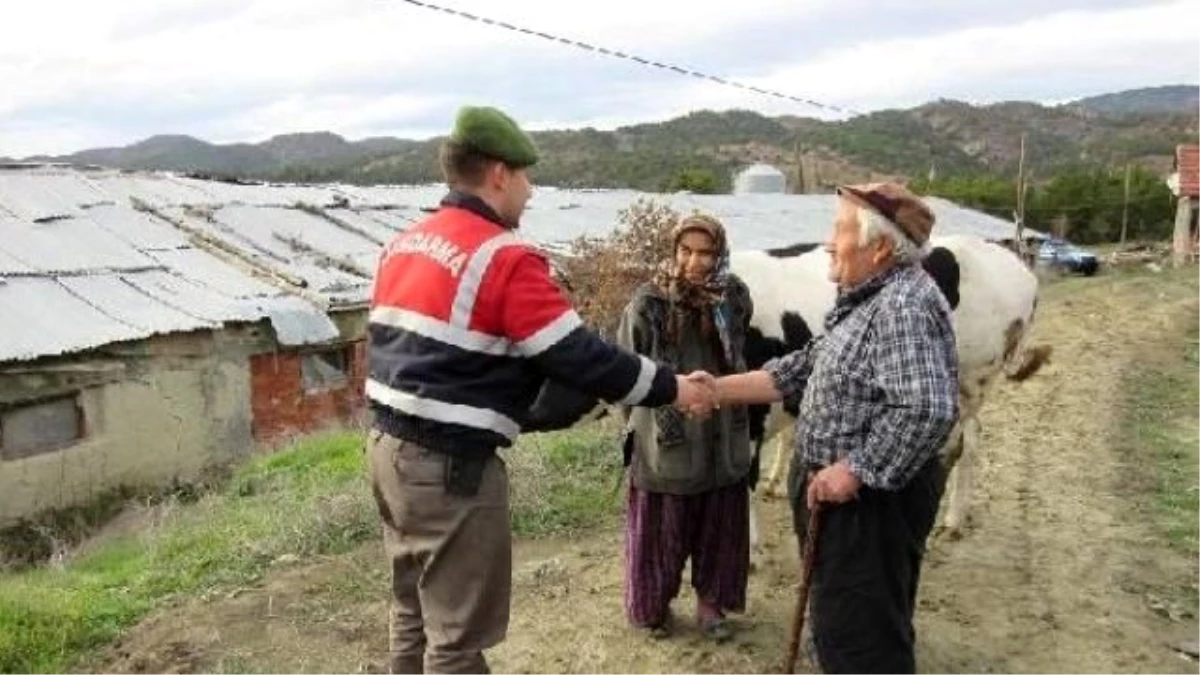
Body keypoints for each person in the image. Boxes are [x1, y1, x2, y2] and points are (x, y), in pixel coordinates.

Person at [365, 105, 716, 675]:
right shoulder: (503, 256)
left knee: (413, 609)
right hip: (448, 468)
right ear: (499, 174)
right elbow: (577, 355)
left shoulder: (404, 243)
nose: (530, 193)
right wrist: (673, 387)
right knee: (455, 640)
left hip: (386, 450)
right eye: (527, 178)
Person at [694, 182, 960, 674]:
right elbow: (802, 367)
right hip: (845, 499)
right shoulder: (869, 299)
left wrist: (854, 470)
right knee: (847, 620)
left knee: (862, 641)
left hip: (868, 505)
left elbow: (927, 409)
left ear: (879, 247)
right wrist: (716, 389)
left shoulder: (902, 306)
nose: (828, 242)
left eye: (839, 230)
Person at [615, 214, 754, 641]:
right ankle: (653, 609)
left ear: (720, 254)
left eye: (706, 252)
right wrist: (644, 426)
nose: (694, 261)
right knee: (661, 531)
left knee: (719, 524)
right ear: (673, 251)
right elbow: (625, 371)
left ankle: (711, 607)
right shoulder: (648, 303)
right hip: (666, 438)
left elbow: (738, 354)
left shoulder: (733, 296)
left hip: (722, 430)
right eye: (686, 251)